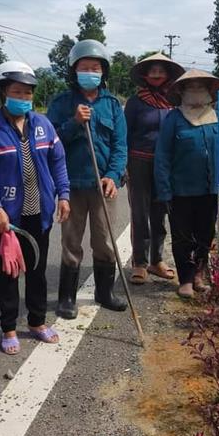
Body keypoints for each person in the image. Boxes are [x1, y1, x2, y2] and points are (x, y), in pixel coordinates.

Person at [0, 60, 71, 355]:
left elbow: (58, 160)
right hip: (8, 218)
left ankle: (38, 322)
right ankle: (8, 327)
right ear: (2, 92)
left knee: (38, 270)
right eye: (17, 91)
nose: (24, 98)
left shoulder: (43, 124)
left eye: (28, 93)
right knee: (9, 272)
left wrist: (64, 194)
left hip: (39, 213)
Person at [47, 39, 128, 319]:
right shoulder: (61, 103)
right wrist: (73, 123)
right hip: (71, 184)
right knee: (71, 241)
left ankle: (104, 292)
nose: (90, 72)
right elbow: (51, 141)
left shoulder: (113, 105)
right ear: (74, 71)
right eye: (84, 67)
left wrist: (113, 175)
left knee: (104, 241)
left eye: (95, 67)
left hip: (102, 186)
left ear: (103, 72)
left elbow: (120, 145)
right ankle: (66, 298)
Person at [154, 69, 219, 299]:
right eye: (191, 86)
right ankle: (186, 279)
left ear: (210, 90)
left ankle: (199, 274)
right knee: (182, 236)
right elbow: (162, 156)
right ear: (181, 91)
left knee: (205, 234)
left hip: (210, 190)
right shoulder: (174, 118)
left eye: (201, 86)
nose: (196, 90)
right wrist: (164, 190)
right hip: (180, 190)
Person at [124, 53, 184, 284]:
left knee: (160, 213)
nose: (157, 74)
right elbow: (125, 135)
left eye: (161, 70)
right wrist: (124, 167)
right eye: (153, 70)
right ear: (145, 75)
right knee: (140, 213)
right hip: (139, 162)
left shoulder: (175, 100)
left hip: (166, 165)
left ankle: (156, 260)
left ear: (168, 74)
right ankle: (139, 263)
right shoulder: (136, 102)